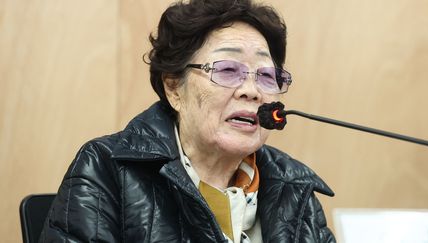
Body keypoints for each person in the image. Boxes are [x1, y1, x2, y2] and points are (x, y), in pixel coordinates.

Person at [39, 0, 335, 242]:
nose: (251, 90)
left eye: (266, 76)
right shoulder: (107, 169)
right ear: (173, 88)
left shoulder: (294, 188)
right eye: (228, 70)